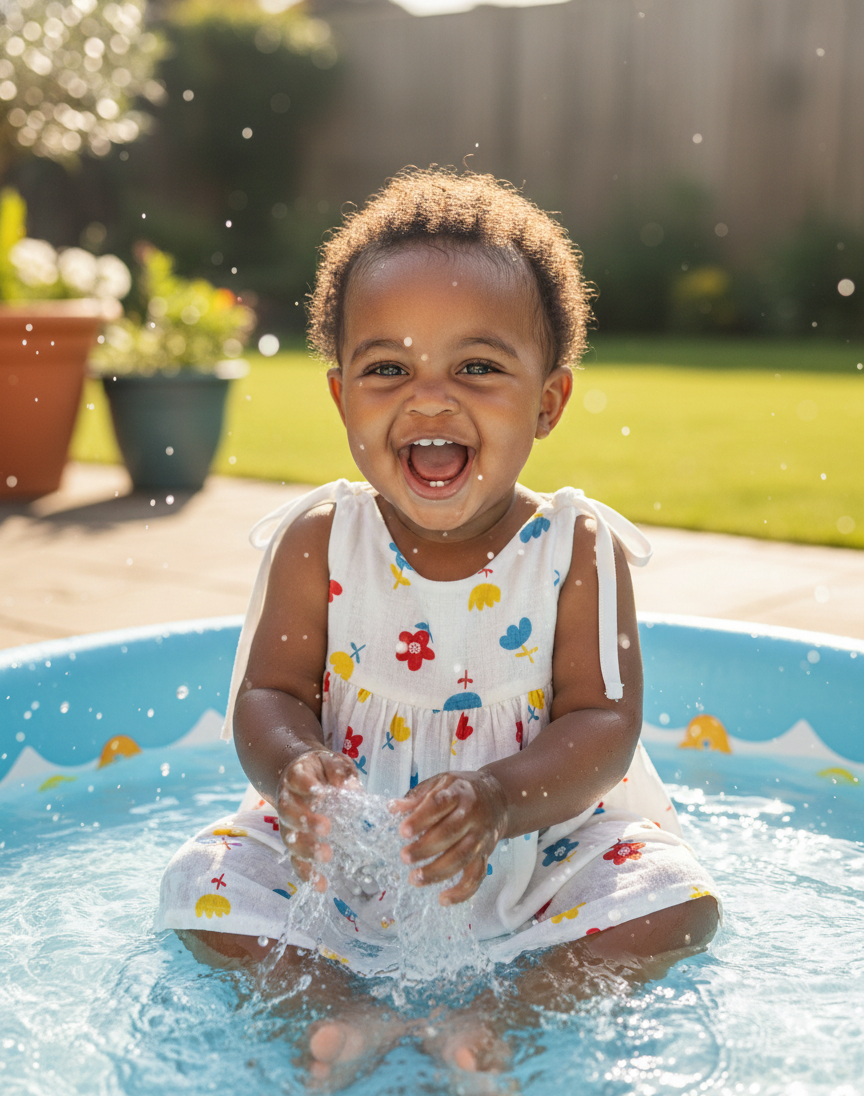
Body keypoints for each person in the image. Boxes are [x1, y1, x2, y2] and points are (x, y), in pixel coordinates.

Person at [155, 167, 720, 1085]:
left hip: (539, 843)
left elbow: (603, 727)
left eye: (478, 367)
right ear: (342, 399)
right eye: (388, 368)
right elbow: (268, 695)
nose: (428, 398)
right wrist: (296, 771)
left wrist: (498, 799)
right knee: (199, 885)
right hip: (355, 844)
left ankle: (505, 1009)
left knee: (675, 902)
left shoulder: (574, 547)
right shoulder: (320, 542)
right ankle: (336, 1006)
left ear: (548, 401)